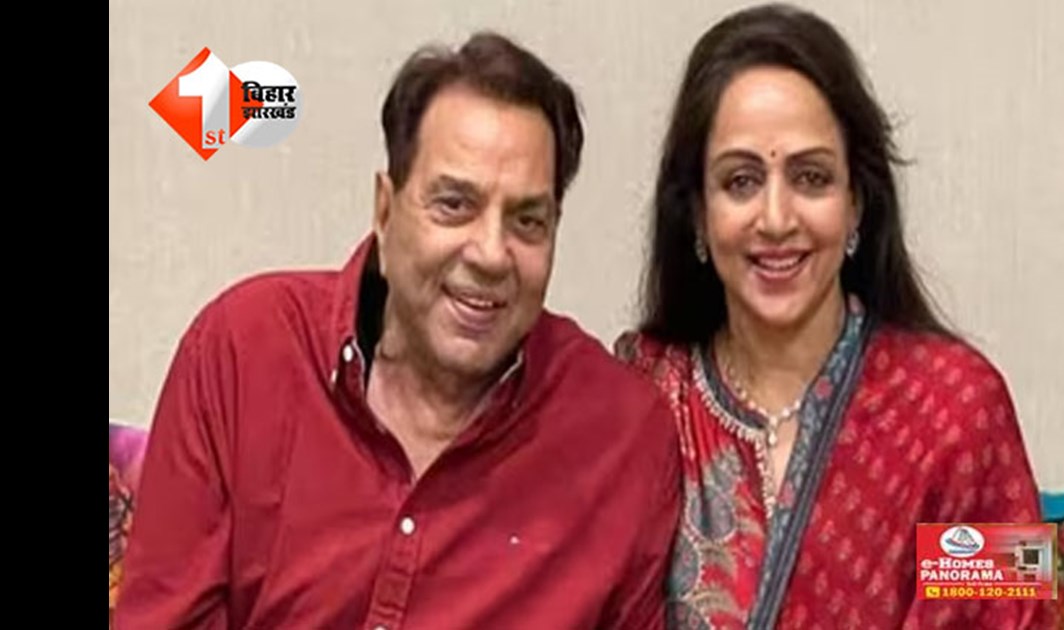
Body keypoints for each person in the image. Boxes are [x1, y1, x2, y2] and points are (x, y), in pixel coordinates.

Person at [116, 32, 681, 629]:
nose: (492, 253)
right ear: (385, 211)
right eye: (455, 205)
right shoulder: (244, 353)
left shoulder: (621, 439)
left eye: (527, 220)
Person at [615, 5, 1047, 628]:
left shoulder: (959, 409)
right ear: (698, 217)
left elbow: (1015, 599)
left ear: (856, 205)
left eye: (811, 178)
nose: (776, 219)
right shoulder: (643, 397)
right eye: (740, 181)